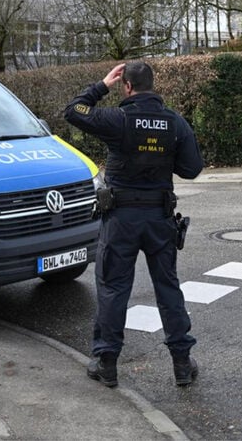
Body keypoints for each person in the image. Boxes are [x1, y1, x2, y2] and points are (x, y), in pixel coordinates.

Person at [64, 61, 204, 388]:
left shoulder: (118, 119)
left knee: (114, 289)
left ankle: (107, 363)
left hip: (121, 220)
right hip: (159, 219)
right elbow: (191, 168)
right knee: (168, 289)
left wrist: (102, 85)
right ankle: (182, 364)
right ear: (153, 85)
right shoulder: (174, 123)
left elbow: (74, 111)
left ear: (126, 86)